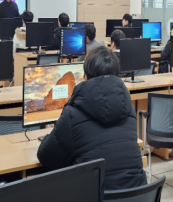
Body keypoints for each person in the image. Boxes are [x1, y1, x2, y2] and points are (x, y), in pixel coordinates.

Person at [37, 46, 147, 190]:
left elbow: (46, 157)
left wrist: (49, 136)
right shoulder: (128, 108)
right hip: (136, 198)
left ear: (86, 77)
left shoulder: (72, 114)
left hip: (93, 200)